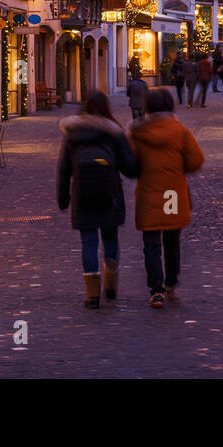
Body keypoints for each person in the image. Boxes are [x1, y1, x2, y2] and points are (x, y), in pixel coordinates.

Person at [56, 92, 137, 308]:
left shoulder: (73, 133)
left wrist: (63, 197)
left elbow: (64, 169)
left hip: (83, 190)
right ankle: (110, 287)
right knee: (110, 238)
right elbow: (129, 167)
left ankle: (92, 295)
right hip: (108, 190)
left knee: (89, 241)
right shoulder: (114, 132)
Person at [128, 88, 204, 308]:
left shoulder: (138, 132)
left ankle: (156, 290)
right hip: (172, 193)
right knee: (172, 240)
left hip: (149, 191)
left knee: (151, 243)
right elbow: (196, 161)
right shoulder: (180, 131)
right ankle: (171, 283)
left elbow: (131, 165)